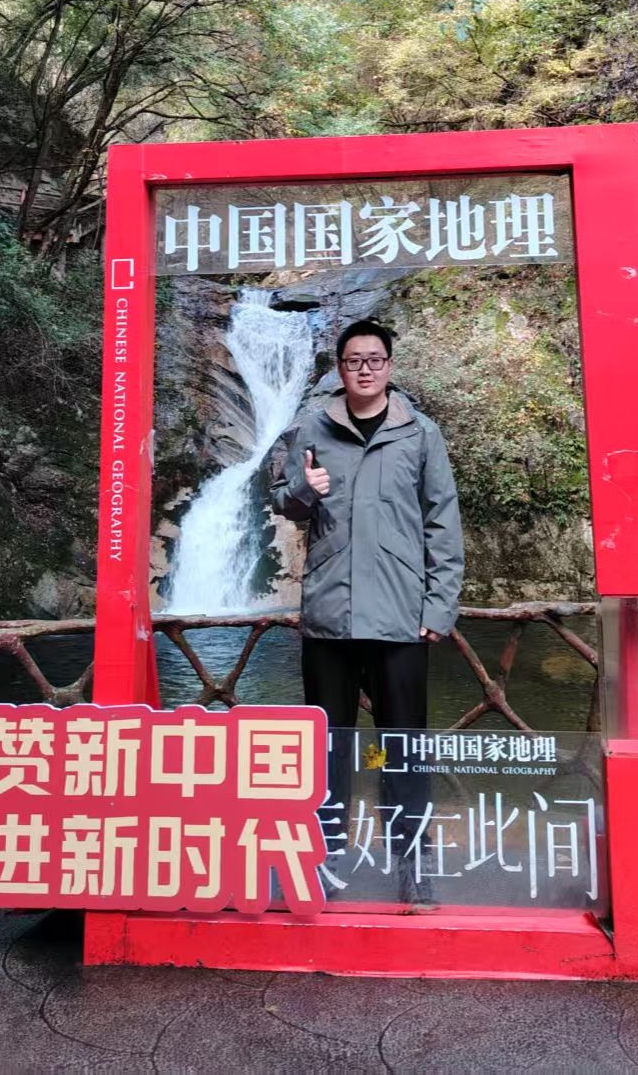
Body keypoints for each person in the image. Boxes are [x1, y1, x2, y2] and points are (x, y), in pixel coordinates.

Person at [273, 318, 463, 905]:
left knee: (403, 745)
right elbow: (284, 502)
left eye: (374, 359)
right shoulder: (312, 427)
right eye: (353, 360)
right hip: (330, 614)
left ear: (389, 366)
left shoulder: (420, 433)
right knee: (329, 746)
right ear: (340, 368)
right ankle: (324, 858)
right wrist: (303, 489)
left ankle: (412, 863)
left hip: (401, 615)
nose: (364, 369)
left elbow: (442, 521)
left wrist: (440, 605)